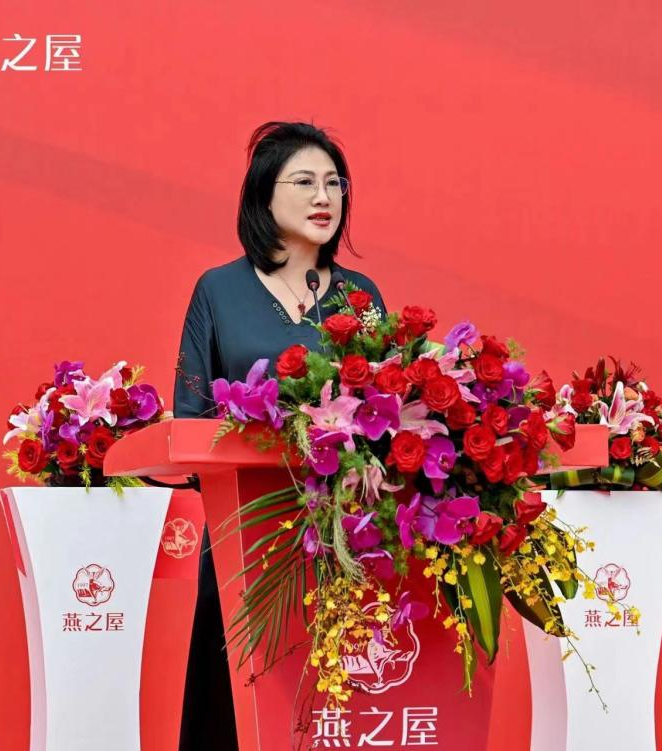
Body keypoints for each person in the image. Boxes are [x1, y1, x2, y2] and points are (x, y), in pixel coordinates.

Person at [173, 121, 386, 750]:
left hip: (348, 536)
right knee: (236, 703)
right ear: (264, 196)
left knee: (341, 703)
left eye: (334, 183)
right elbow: (192, 417)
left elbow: (385, 408)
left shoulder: (359, 296)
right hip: (248, 532)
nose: (324, 197)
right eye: (304, 182)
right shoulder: (218, 291)